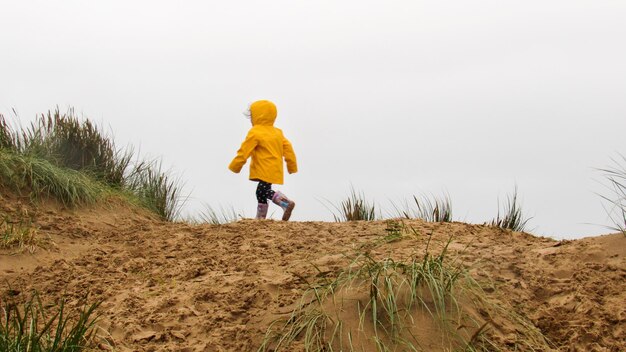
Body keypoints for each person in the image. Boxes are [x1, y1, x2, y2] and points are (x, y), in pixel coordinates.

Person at [228, 100, 298, 220]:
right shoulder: (278, 133)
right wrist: (292, 166)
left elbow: (244, 150)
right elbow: (289, 149)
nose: (250, 120)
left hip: (263, 168)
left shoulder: (255, 132)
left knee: (262, 190)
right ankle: (260, 218)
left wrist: (236, 165)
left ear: (257, 116)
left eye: (252, 116)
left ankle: (285, 203)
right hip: (275, 168)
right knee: (261, 192)